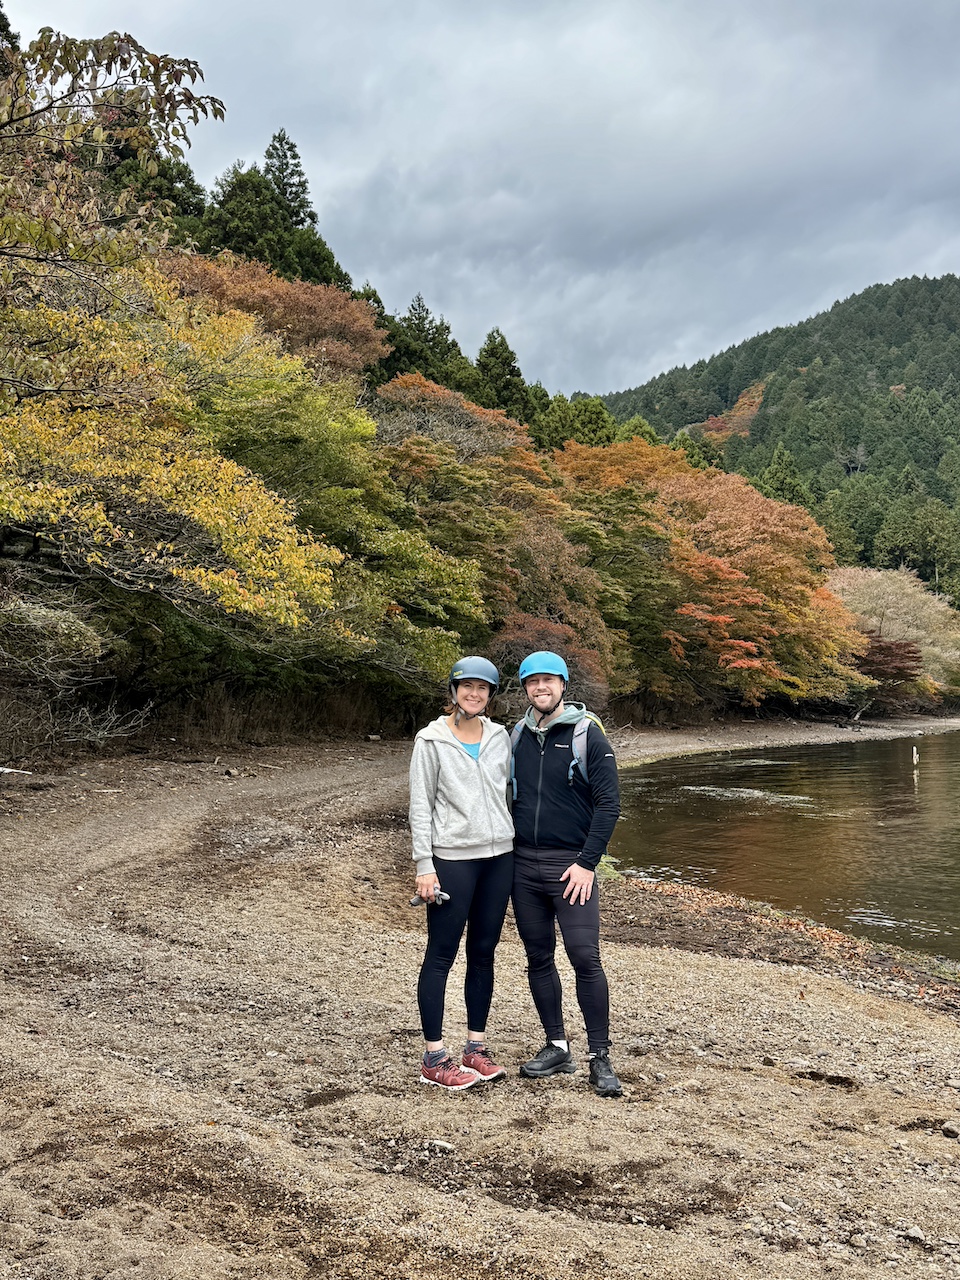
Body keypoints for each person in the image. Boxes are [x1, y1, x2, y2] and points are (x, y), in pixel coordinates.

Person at [510, 650, 623, 1097]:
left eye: (549, 680)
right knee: (538, 957)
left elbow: (609, 805)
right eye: (532, 681)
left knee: (584, 956)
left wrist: (587, 863)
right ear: (525, 688)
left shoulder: (586, 734)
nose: (541, 687)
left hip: (571, 866)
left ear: (562, 685)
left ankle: (600, 1056)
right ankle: (557, 1046)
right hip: (523, 866)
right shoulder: (516, 736)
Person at [408, 656, 515, 1090]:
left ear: (490, 695)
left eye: (482, 688)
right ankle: (434, 1058)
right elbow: (420, 806)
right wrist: (424, 866)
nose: (474, 694)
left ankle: (475, 1048)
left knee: (484, 952)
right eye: (467, 686)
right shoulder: (431, 740)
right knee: (441, 953)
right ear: (453, 692)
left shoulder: (501, 737)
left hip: (500, 857)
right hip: (452, 858)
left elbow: (511, 792)